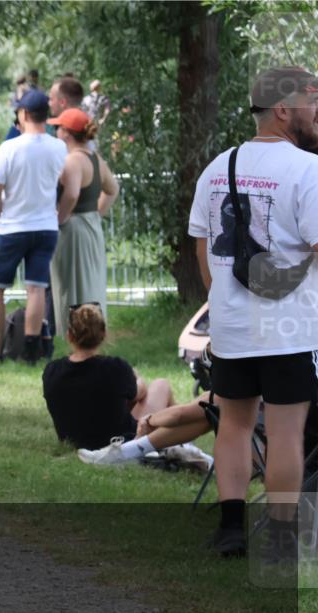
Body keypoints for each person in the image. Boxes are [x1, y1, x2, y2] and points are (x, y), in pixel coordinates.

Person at [188, 66, 318, 558]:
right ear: (284, 109)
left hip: (233, 327)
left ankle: (231, 530)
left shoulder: (218, 166)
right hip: (290, 328)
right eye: (313, 102)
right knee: (285, 432)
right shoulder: (308, 170)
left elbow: (203, 246)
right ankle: (282, 536)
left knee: (235, 425)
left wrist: (222, 299)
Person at [43, 304, 213, 470]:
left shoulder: (51, 371)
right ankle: (181, 441)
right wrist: (137, 377)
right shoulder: (114, 367)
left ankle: (180, 442)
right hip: (118, 440)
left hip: (74, 441)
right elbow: (140, 393)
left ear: (69, 336)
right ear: (104, 334)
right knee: (161, 385)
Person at [0, 89, 67, 363]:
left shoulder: (10, 147)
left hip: (12, 226)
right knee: (36, 288)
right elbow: (66, 184)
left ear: (24, 114)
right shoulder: (59, 147)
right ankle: (31, 350)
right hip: (45, 226)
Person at [49, 107, 119, 336]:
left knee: (72, 283)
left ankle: (75, 333)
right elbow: (113, 189)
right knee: (90, 281)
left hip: (74, 229)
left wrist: (60, 219)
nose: (56, 131)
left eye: (59, 127)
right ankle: (92, 331)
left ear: (67, 133)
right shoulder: (95, 159)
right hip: (91, 226)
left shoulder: (73, 161)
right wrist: (97, 214)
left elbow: (71, 194)